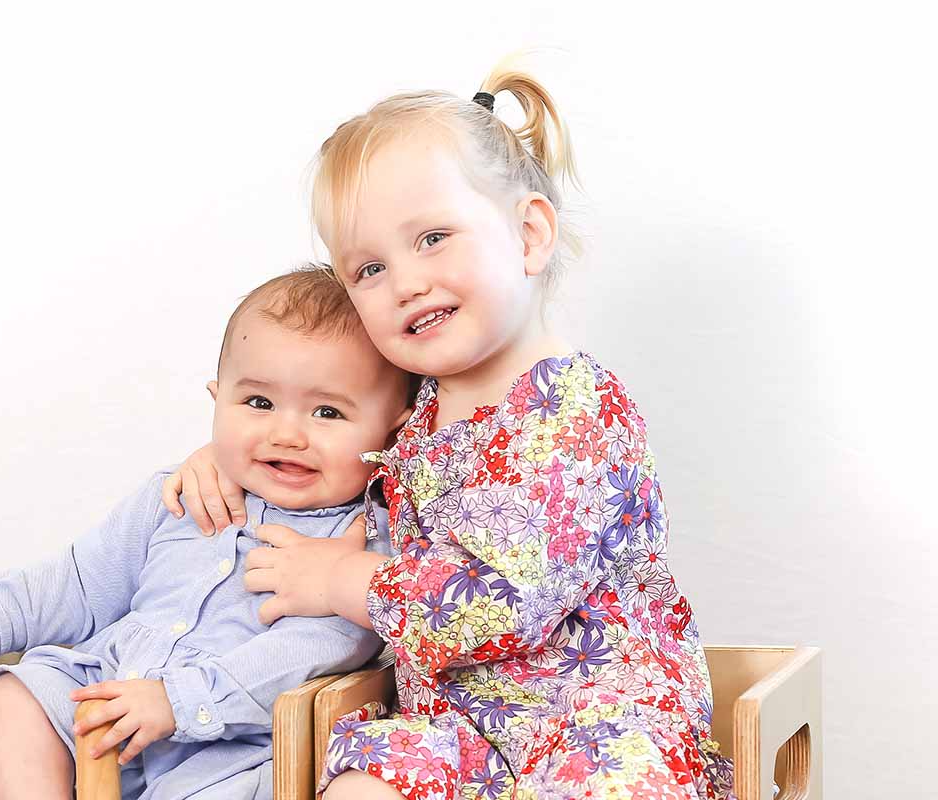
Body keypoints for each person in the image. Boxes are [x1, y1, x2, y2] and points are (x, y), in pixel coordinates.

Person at [162, 56, 737, 799]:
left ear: (529, 235)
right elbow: (323, 455)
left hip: (597, 729)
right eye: (368, 268)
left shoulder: (572, 409)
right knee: (360, 782)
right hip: (457, 734)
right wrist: (225, 455)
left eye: (432, 238)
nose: (405, 280)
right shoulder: (416, 414)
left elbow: (506, 602)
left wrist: (344, 579)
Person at [0, 265, 415, 800]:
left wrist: (180, 699)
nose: (286, 434)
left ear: (393, 429)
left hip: (232, 745)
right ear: (218, 400)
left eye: (328, 411)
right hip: (105, 690)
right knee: (14, 699)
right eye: (259, 403)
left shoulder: (357, 541)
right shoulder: (178, 494)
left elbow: (313, 650)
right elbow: (79, 579)